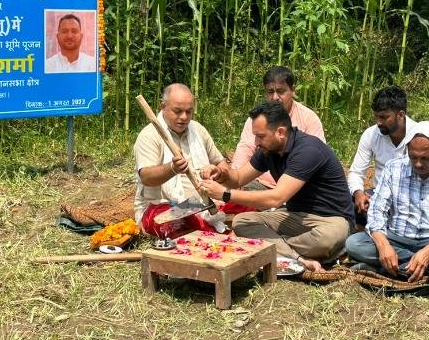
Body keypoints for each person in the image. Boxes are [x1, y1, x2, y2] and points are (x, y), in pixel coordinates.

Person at [199, 101, 354, 272]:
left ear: (280, 132)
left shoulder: (308, 150)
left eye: (260, 136)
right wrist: (221, 174)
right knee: (242, 222)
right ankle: (296, 257)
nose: (256, 142)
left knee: (326, 239)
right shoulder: (268, 150)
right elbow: (238, 179)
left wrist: (225, 194)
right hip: (295, 216)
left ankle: (271, 247)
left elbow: (276, 198)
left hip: (331, 220)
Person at [345, 121, 429, 282]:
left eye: (425, 158)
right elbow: (377, 210)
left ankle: (387, 269)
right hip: (397, 236)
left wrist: (428, 252)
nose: (418, 164)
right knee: (354, 244)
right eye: (413, 157)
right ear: (407, 151)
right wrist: (384, 246)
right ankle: (416, 269)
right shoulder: (394, 168)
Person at [133, 83, 229, 223]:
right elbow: (146, 178)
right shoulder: (149, 135)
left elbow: (223, 165)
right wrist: (172, 168)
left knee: (242, 204)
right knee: (172, 221)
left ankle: (206, 219)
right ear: (163, 107)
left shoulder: (198, 130)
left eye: (189, 112)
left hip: (207, 202)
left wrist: (218, 171)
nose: (184, 117)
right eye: (177, 111)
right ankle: (202, 222)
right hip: (166, 205)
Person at [231, 66, 325, 189]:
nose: (275, 97)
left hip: (298, 188)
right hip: (260, 184)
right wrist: (230, 178)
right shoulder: (258, 119)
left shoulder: (309, 118)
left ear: (293, 90)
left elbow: (315, 159)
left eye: (280, 91)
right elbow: (245, 149)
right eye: (270, 92)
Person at [347, 86, 415, 226]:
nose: (378, 122)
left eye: (384, 117)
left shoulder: (420, 136)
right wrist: (359, 193)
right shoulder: (371, 135)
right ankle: (360, 236)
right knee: (347, 202)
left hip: (411, 197)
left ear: (401, 115)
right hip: (378, 194)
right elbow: (356, 172)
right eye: (376, 116)